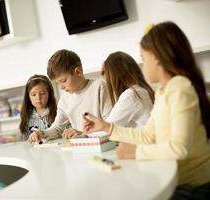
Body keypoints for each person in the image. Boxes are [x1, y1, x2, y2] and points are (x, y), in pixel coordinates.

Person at [83, 21, 210, 199]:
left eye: (143, 59)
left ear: (156, 58)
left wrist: (136, 152)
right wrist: (106, 127)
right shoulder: (162, 91)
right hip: (177, 181)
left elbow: (180, 148)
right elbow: (147, 135)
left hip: (193, 187)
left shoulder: (180, 88)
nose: (143, 65)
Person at [28, 49, 111, 142]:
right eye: (58, 83)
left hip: (104, 145)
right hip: (81, 147)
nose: (61, 87)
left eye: (63, 81)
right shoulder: (65, 99)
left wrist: (82, 134)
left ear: (78, 72)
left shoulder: (100, 87)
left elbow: (110, 126)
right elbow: (57, 129)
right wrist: (41, 133)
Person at [102, 51, 154, 128]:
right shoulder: (142, 90)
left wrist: (83, 134)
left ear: (113, 75)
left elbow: (106, 128)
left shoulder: (131, 95)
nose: (105, 78)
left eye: (104, 72)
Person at [19, 74, 57, 140]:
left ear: (49, 94)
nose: (38, 98)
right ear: (28, 97)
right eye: (33, 95)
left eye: (42, 93)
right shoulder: (26, 116)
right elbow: (25, 141)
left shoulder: (58, 113)